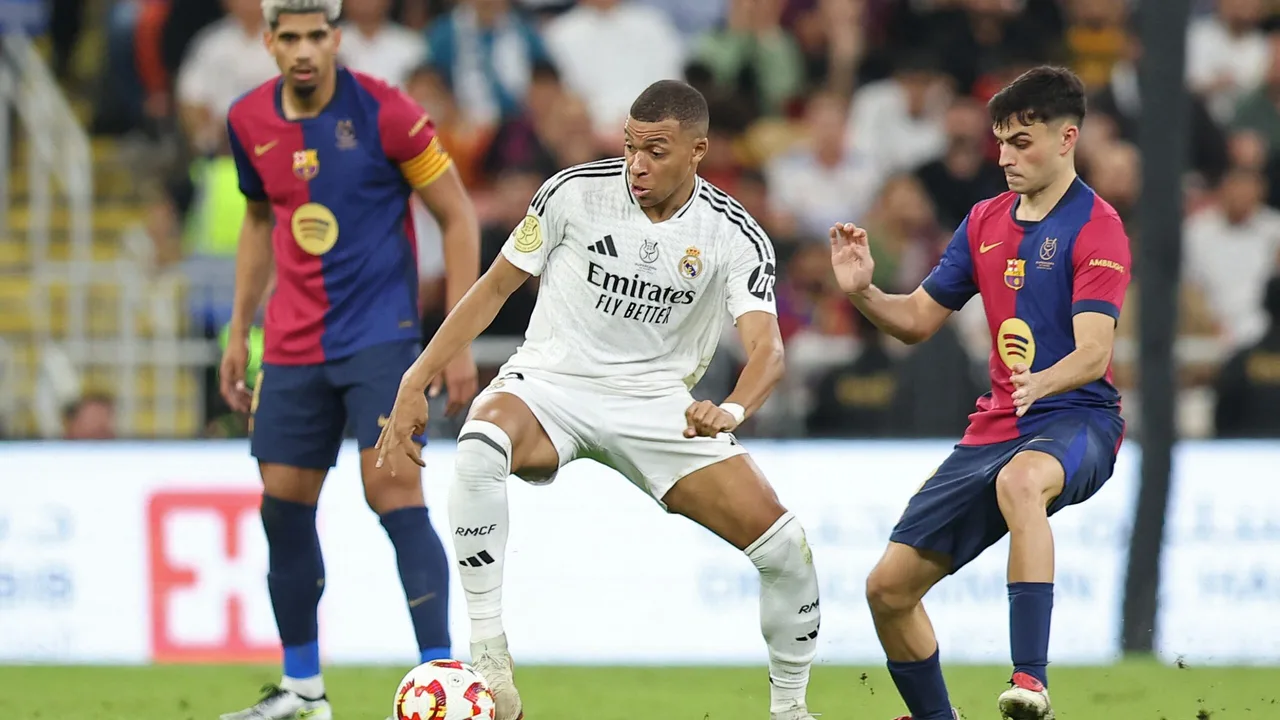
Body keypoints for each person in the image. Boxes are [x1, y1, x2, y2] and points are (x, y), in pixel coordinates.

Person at [377, 79, 822, 720]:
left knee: (785, 547)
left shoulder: (733, 234)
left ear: (698, 151)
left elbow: (768, 350)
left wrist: (729, 410)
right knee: (479, 444)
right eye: (630, 146)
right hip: (553, 382)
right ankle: (490, 659)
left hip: (657, 404)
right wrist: (415, 378)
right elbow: (495, 286)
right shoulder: (571, 193)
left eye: (656, 151)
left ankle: (790, 710)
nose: (637, 164)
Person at [829, 66, 1131, 720]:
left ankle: (1030, 683)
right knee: (887, 590)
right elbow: (916, 320)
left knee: (1022, 482)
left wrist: (1042, 381)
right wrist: (864, 293)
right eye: (1001, 143)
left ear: (1066, 138)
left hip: (1078, 420)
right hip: (996, 426)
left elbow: (1093, 353)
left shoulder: (1097, 226)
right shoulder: (983, 221)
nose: (1005, 158)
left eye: (1021, 142)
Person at [217, 1, 482, 718]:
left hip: (380, 339)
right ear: (269, 42)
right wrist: (240, 329)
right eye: (290, 38)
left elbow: (458, 216)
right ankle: (303, 691)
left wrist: (453, 343)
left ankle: (443, 680)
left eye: (316, 36)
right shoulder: (246, 120)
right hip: (292, 344)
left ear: (336, 39)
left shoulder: (387, 113)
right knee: (282, 508)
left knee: (393, 493)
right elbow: (258, 218)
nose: (304, 50)